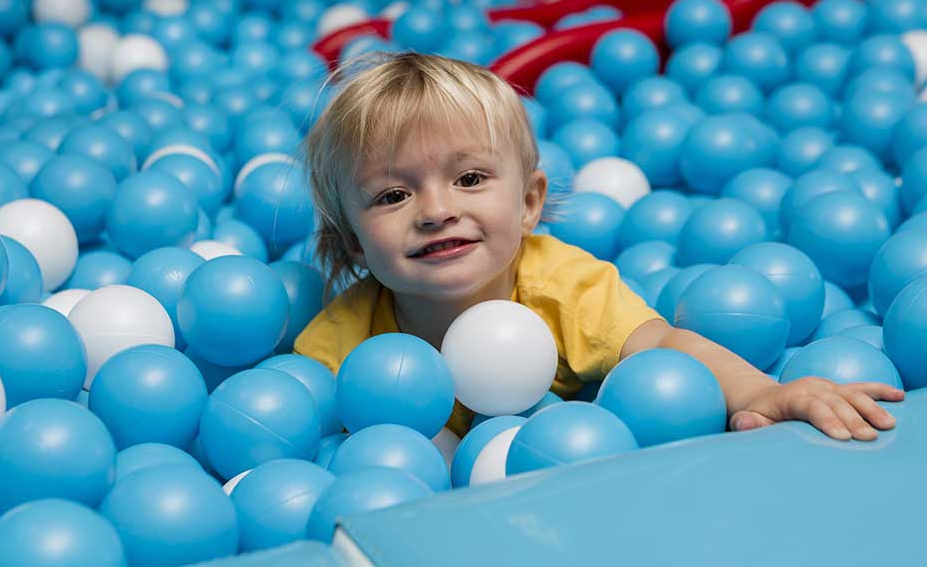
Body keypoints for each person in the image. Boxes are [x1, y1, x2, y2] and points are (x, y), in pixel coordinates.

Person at [294, 52, 903, 439]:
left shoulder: (564, 287)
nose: (437, 210)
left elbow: (662, 343)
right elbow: (306, 424)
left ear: (530, 203)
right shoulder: (342, 344)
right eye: (393, 195)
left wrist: (763, 392)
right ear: (351, 241)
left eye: (470, 179)